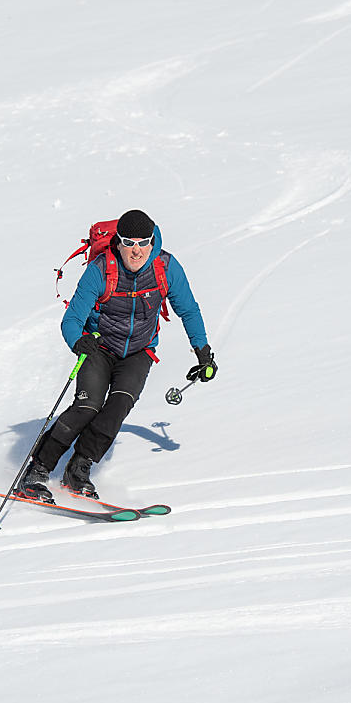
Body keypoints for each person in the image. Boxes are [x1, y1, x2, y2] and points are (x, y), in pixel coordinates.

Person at [17, 209, 217, 502]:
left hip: (139, 351)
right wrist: (79, 341)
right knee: (88, 406)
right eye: (129, 242)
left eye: (143, 242)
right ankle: (37, 470)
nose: (136, 251)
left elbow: (187, 308)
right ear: (119, 243)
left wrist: (202, 351)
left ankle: (79, 470)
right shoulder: (101, 269)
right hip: (99, 347)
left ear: (152, 242)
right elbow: (72, 319)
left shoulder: (166, 267)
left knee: (118, 406)